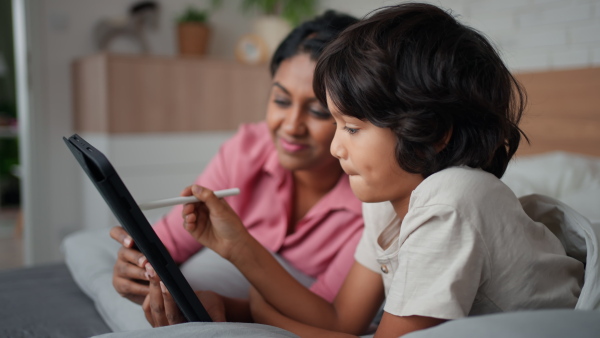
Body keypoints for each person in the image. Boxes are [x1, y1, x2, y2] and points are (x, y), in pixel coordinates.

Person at [144, 2, 584, 337]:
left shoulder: (450, 201)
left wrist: (261, 314)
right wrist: (236, 255)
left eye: (351, 128)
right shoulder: (390, 199)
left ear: (433, 133)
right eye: (336, 124)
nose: (336, 147)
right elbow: (340, 318)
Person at [110, 10, 363, 322]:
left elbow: (327, 315)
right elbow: (171, 241)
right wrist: (137, 266)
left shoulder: (369, 200)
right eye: (281, 101)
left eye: (318, 111)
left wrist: (225, 307)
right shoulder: (247, 148)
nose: (292, 126)